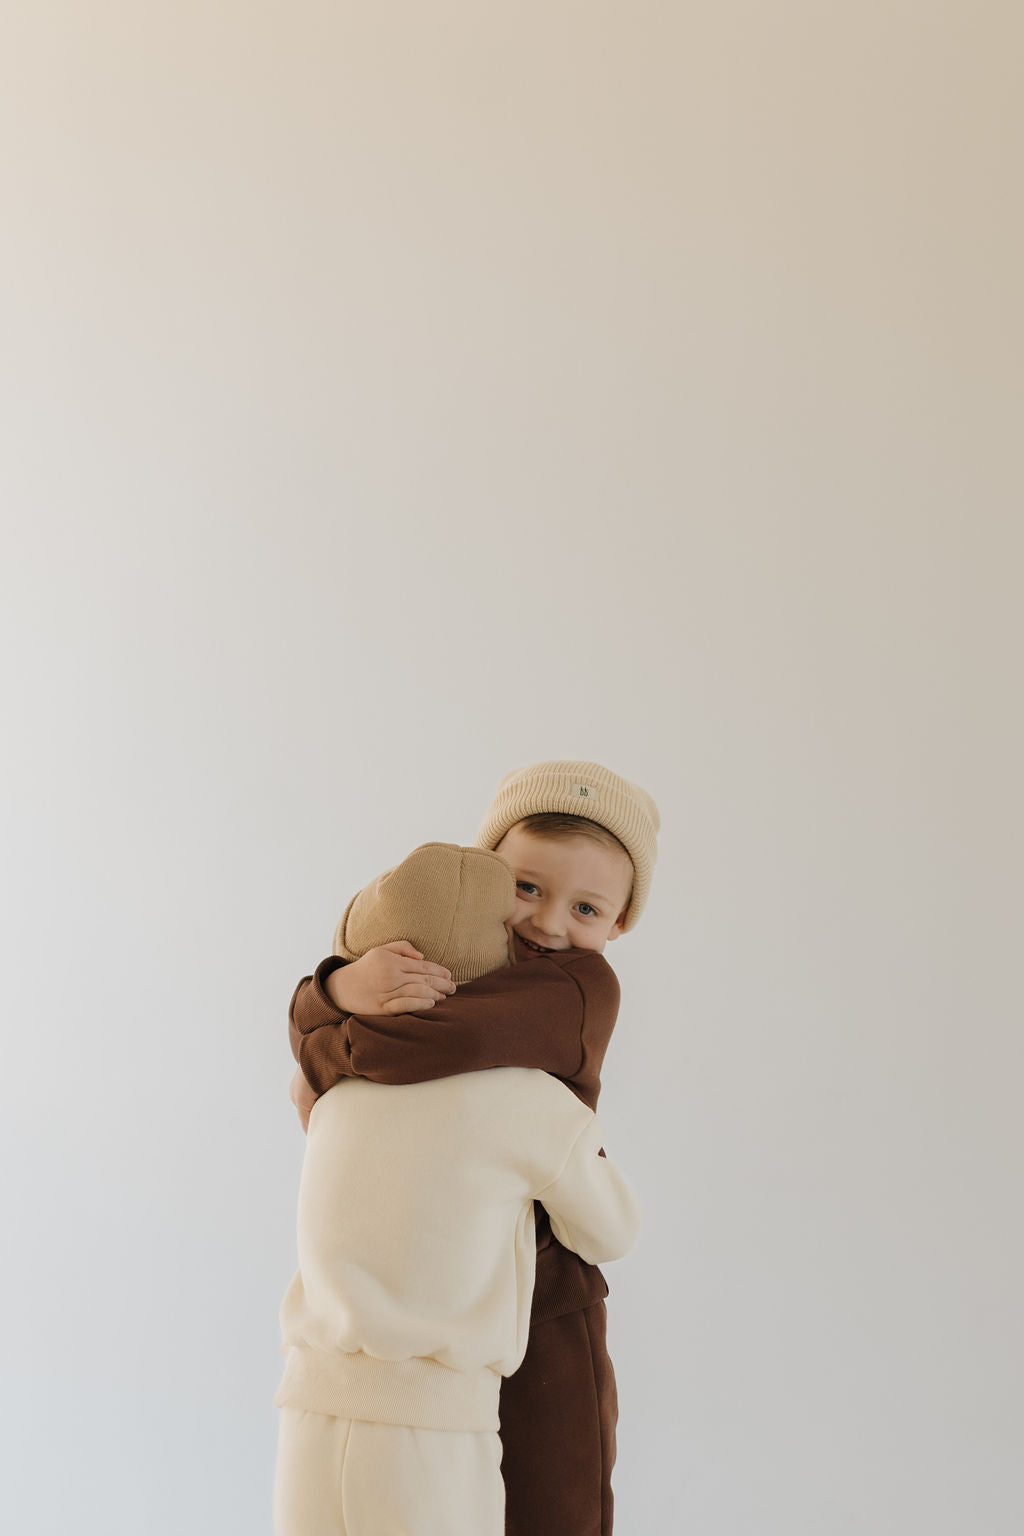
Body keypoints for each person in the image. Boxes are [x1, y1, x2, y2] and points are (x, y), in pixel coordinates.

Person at [289, 759, 659, 1536]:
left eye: (587, 908)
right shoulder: (460, 959)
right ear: (489, 871)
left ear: (620, 924)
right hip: (444, 1285)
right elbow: (320, 1022)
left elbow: (421, 1047)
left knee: (556, 1505)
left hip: (545, 1289)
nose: (550, 924)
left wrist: (333, 1029)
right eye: (528, 888)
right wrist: (336, 990)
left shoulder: (577, 988)